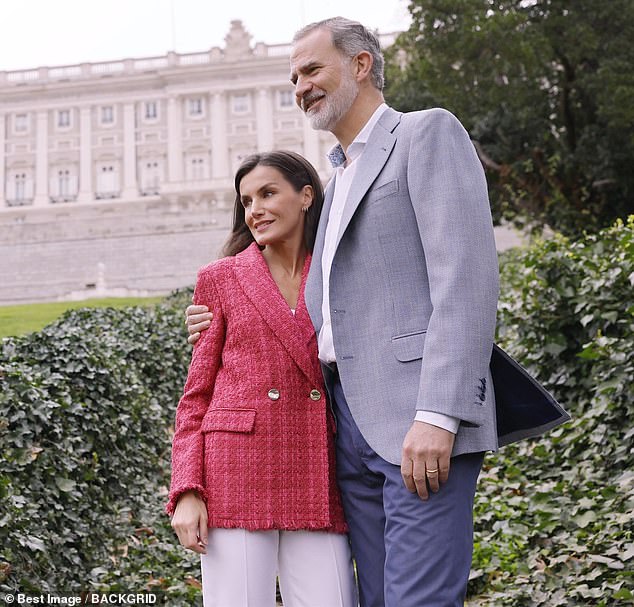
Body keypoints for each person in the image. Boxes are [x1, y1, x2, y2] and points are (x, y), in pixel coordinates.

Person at [186, 17, 569, 607]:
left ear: (361, 65)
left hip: (416, 415)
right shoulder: (336, 183)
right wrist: (224, 318)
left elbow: (464, 280)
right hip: (346, 427)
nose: (301, 86)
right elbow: (326, 304)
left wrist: (439, 414)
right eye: (294, 77)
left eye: (312, 69)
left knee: (417, 599)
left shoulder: (426, 135)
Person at [167, 150, 357, 607]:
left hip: (316, 467)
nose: (255, 209)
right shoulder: (220, 278)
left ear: (306, 195)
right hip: (235, 470)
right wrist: (187, 489)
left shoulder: (339, 271)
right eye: (247, 200)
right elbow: (196, 396)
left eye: (268, 193)